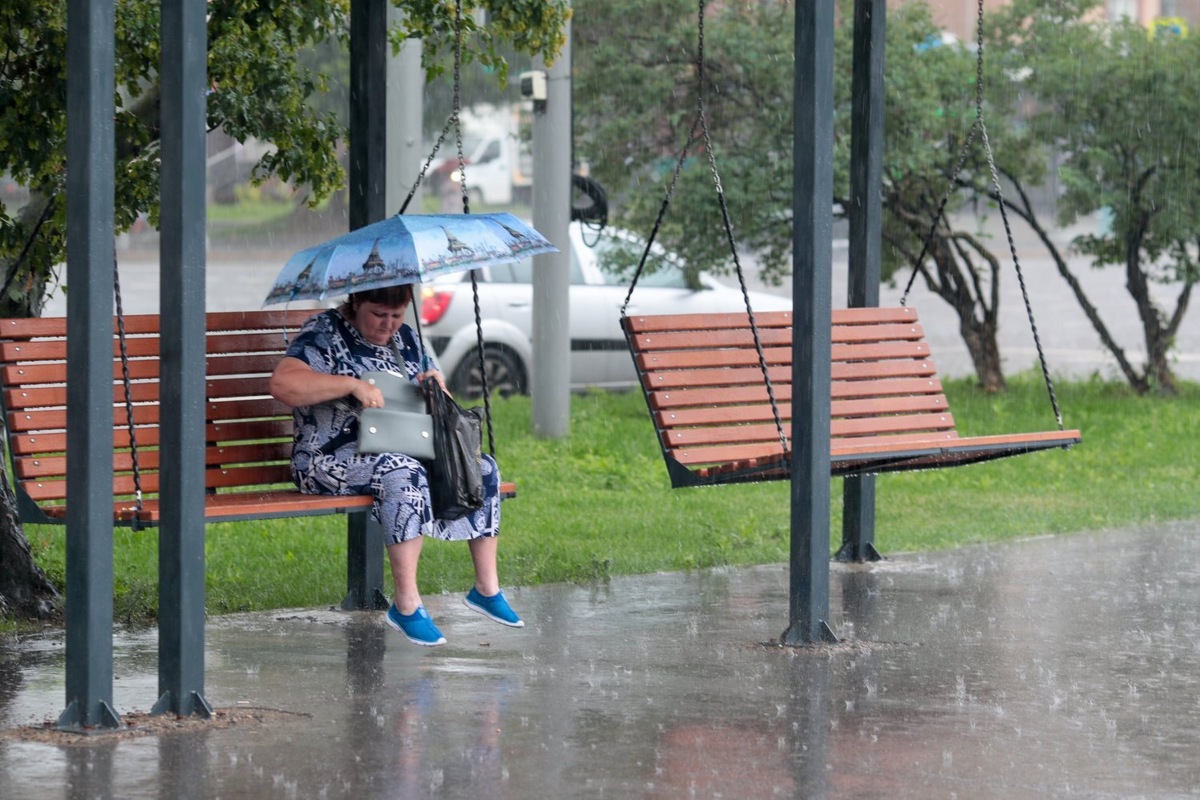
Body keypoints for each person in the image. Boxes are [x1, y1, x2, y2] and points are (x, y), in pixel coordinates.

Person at [269, 284, 523, 647]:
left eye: (396, 315)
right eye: (378, 315)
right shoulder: (323, 332)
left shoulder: (406, 339)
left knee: (482, 467)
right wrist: (350, 385)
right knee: (402, 472)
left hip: (403, 446)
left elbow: (444, 399)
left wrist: (435, 388)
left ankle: (486, 588)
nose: (388, 325)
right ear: (355, 302)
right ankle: (406, 604)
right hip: (327, 460)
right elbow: (283, 383)